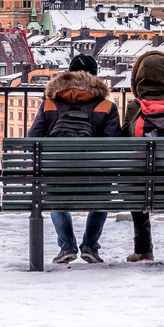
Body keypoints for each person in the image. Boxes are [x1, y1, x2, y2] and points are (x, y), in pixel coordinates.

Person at [27, 54, 121, 264]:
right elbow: (113, 146)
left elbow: (32, 140)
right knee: (103, 195)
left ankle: (67, 246)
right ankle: (90, 246)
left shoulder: (50, 104)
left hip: (58, 178)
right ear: (96, 78)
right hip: (94, 180)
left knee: (50, 193)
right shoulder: (107, 107)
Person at [122, 50, 164, 263]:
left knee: (135, 185)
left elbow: (125, 140)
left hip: (141, 183)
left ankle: (143, 249)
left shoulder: (135, 106)